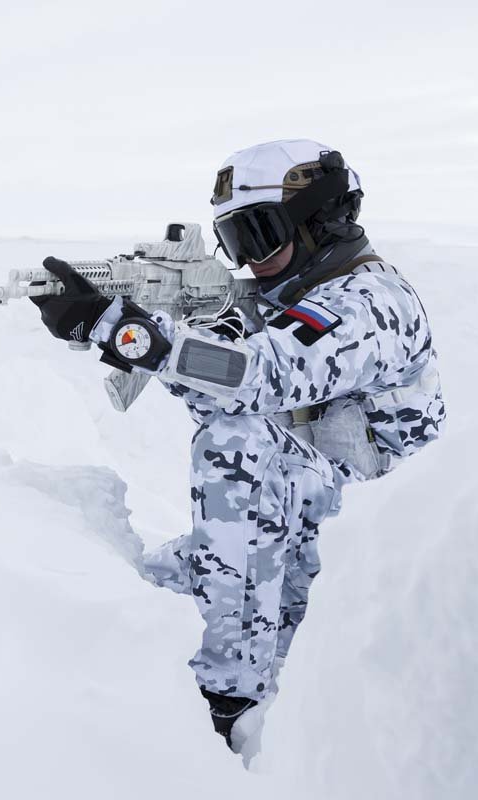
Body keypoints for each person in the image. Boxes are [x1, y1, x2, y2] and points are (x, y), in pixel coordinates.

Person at [32, 139, 446, 762]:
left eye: (260, 234)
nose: (251, 262)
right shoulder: (289, 300)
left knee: (235, 442)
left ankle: (234, 702)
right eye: (235, 243)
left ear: (320, 219)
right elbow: (232, 386)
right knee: (142, 592)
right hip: (308, 526)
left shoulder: (370, 303)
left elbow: (260, 378)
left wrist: (123, 329)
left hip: (370, 556)